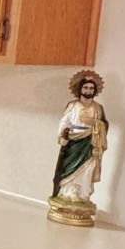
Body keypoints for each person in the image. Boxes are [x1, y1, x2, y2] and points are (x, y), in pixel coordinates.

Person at [50, 70, 108, 215]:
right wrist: (63, 134)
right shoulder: (73, 106)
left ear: (95, 91)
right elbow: (64, 122)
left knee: (86, 170)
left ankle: (82, 195)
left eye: (91, 88)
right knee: (69, 169)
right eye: (85, 88)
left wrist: (97, 123)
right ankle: (67, 194)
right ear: (80, 89)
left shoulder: (98, 108)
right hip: (74, 142)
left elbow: (104, 124)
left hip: (90, 143)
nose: (88, 91)